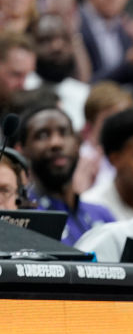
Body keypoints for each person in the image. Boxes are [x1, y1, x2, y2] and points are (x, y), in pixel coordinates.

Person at [16, 104, 115, 244]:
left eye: (64, 133)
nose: (56, 143)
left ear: (78, 143)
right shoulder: (21, 218)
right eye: (42, 135)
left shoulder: (102, 215)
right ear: (22, 150)